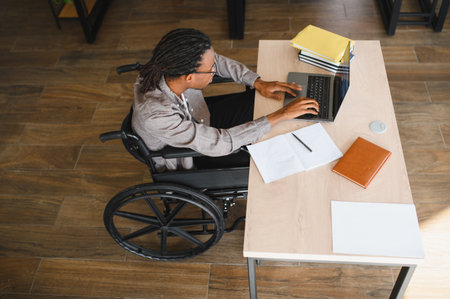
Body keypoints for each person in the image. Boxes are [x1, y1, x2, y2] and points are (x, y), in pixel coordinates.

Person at [132, 28, 319, 172]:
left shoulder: (167, 66)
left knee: (257, 102)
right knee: (276, 156)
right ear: (189, 77)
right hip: (193, 154)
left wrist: (257, 81)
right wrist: (282, 115)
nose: (215, 71)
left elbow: (217, 61)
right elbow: (220, 143)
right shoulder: (156, 115)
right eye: (210, 70)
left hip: (200, 118)